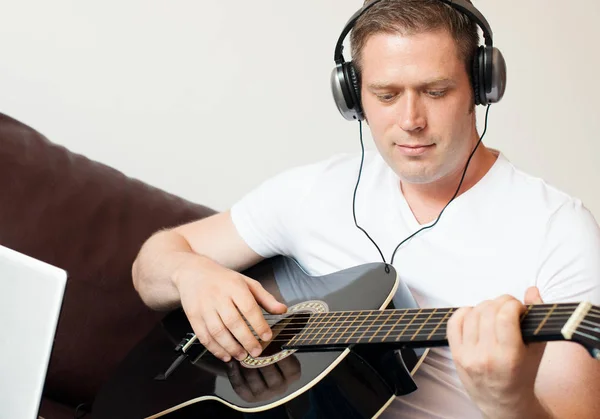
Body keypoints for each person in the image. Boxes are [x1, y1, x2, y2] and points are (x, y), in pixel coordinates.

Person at [131, 0, 600, 417]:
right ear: (353, 98)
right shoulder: (314, 191)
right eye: (387, 95)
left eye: (436, 91)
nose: (411, 121)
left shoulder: (557, 230)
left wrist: (509, 402)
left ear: (481, 86)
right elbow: (153, 262)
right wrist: (191, 276)